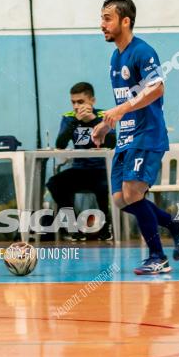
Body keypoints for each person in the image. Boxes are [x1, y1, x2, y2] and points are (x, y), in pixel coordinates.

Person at [93, 0, 179, 275]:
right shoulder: (116, 56)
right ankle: (177, 225)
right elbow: (124, 99)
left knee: (132, 192)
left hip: (146, 134)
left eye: (107, 18)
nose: (101, 24)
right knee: (119, 198)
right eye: (101, 18)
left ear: (125, 21)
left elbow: (157, 88)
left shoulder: (143, 51)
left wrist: (123, 108)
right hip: (126, 136)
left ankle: (157, 257)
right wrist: (106, 124)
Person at [45, 82, 116, 241]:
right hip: (80, 170)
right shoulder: (69, 118)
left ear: (92, 101)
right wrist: (76, 121)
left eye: (81, 102)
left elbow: (112, 143)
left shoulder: (104, 116)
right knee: (54, 183)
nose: (76, 106)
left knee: (103, 186)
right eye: (73, 102)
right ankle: (73, 226)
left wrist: (92, 120)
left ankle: (106, 227)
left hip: (102, 170)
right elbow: (60, 144)